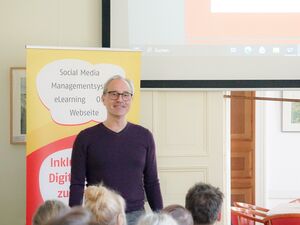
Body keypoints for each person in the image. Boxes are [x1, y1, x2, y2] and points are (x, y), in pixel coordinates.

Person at [69, 75, 163, 225]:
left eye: (125, 95)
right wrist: (73, 219)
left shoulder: (144, 136)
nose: (120, 99)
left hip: (136, 216)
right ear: (103, 98)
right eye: (114, 94)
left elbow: (151, 182)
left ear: (131, 99)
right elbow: (77, 184)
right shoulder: (85, 138)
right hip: (98, 216)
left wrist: (161, 217)